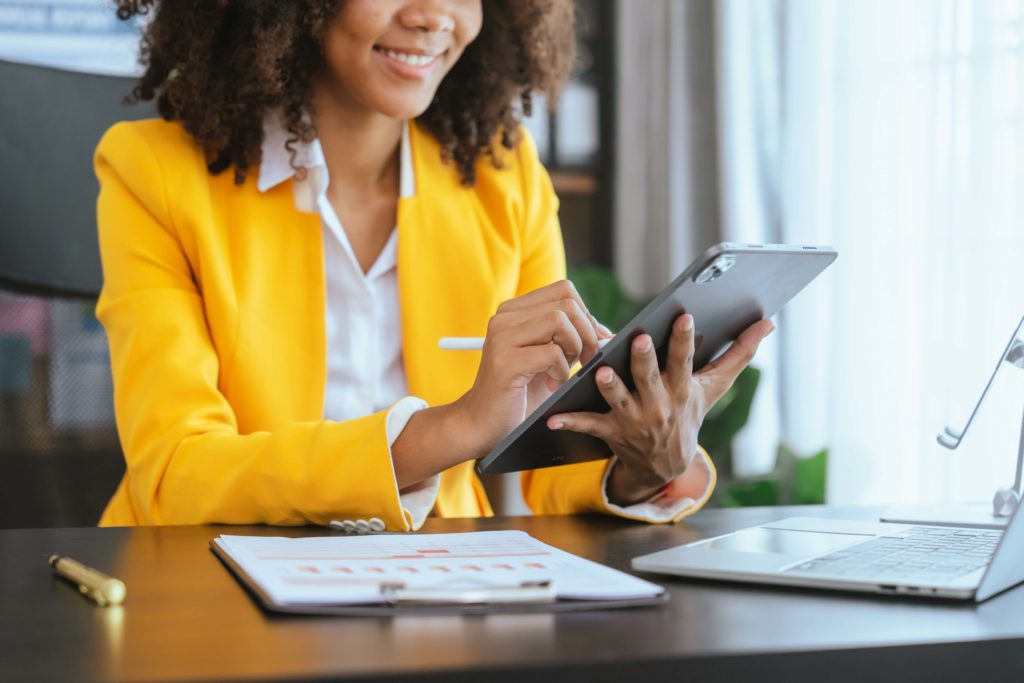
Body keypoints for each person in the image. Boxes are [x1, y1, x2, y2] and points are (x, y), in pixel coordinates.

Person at [95, 0, 774, 529]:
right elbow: (175, 473)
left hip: (437, 596)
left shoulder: (507, 185)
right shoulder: (153, 174)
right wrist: (451, 430)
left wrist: (640, 461)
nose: (431, 16)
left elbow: (553, 457)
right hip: (205, 598)